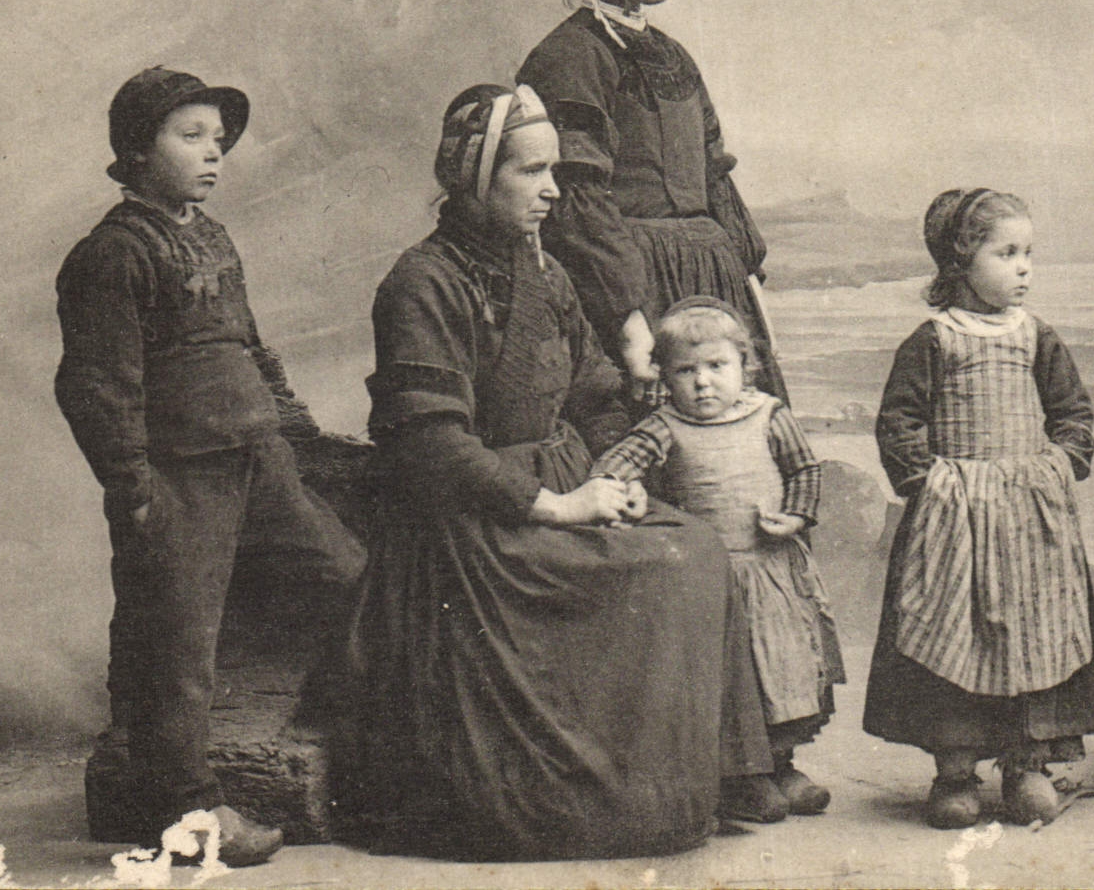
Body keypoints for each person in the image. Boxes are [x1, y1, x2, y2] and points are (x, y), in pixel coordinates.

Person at [344, 84, 731, 861]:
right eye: (530, 172)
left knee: (693, 551)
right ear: (475, 178)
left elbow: (594, 393)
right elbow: (428, 442)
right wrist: (552, 506)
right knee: (652, 572)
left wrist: (619, 471)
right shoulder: (421, 282)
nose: (552, 190)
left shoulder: (547, 274)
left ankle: (672, 779)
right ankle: (589, 799)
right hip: (471, 521)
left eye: (553, 170)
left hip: (567, 484)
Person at [55, 67, 366, 866]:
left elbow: (250, 351)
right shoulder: (111, 255)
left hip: (258, 460)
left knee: (345, 571)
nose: (212, 155)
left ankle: (364, 746)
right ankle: (188, 814)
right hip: (180, 478)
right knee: (178, 654)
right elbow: (96, 386)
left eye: (218, 141)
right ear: (133, 150)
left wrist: (298, 435)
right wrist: (135, 488)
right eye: (188, 137)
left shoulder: (213, 236)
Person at [864, 188, 1094, 829]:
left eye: (1028, 252)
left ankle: (1026, 764)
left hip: (1029, 514)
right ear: (959, 261)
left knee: (1033, 631)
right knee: (957, 631)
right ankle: (955, 772)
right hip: (957, 515)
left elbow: (1073, 414)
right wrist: (932, 482)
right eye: (1007, 253)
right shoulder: (933, 340)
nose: (1024, 266)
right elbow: (900, 424)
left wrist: (1059, 463)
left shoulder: (1036, 337)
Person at [517, 0, 785, 401]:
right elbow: (578, 201)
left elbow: (715, 174)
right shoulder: (570, 57)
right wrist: (631, 327)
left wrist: (749, 287)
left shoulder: (671, 54)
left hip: (714, 281)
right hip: (633, 283)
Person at [589, 298, 844, 821]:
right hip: (707, 579)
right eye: (686, 370)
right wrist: (622, 486)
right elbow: (616, 463)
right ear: (663, 375)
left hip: (768, 570)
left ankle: (782, 766)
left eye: (716, 366)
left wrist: (794, 517)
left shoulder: (770, 415)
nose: (703, 382)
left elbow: (805, 472)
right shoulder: (664, 425)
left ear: (745, 366)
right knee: (725, 678)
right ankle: (736, 778)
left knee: (778, 671)